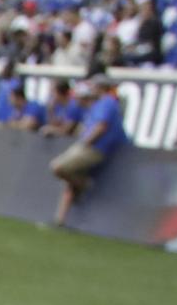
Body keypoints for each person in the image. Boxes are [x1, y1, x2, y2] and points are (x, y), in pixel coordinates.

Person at [54, 73, 128, 226]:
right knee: (70, 179)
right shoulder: (97, 105)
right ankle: (60, 220)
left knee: (59, 167)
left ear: (100, 87)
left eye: (94, 86)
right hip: (92, 146)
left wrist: (84, 143)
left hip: (97, 148)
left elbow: (101, 127)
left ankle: (85, 185)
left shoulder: (107, 102)